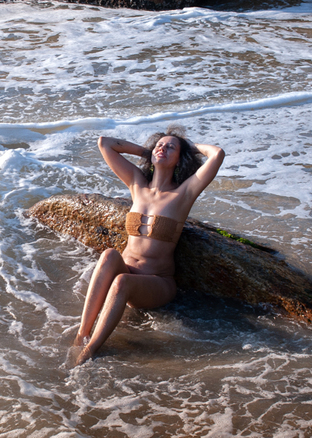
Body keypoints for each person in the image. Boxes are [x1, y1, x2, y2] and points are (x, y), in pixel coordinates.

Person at [70, 126, 224, 365]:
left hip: (157, 282)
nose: (163, 148)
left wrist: (189, 149)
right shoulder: (136, 184)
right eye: (159, 145)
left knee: (122, 281)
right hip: (127, 270)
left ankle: (90, 350)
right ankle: (81, 334)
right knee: (110, 255)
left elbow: (217, 154)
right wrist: (149, 151)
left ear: (179, 159)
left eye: (170, 147)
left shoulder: (184, 193)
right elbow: (105, 143)